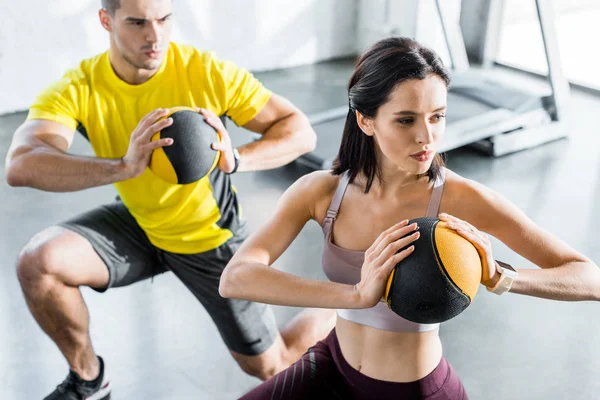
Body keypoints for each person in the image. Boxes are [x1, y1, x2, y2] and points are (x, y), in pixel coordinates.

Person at [219, 36, 600, 399]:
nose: (427, 137)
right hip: (333, 366)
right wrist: (354, 295)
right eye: (406, 120)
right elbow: (236, 279)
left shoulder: (460, 198)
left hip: (413, 391)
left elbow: (588, 277)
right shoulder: (321, 192)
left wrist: (502, 277)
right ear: (366, 120)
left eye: (437, 117)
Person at [4, 0, 337, 399]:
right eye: (137, 22)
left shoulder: (205, 73)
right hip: (140, 222)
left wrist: (238, 159)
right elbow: (21, 164)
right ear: (105, 21)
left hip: (209, 236)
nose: (154, 35)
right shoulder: (81, 86)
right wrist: (121, 168)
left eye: (164, 19)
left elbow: (300, 131)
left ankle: (344, 309)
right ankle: (89, 380)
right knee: (39, 262)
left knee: (271, 366)